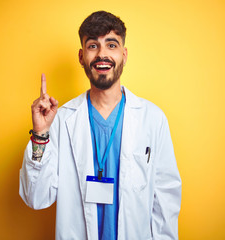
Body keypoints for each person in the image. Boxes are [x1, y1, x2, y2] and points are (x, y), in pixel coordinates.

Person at [19, 11, 181, 240]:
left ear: (124, 55)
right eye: (93, 46)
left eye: (111, 45)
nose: (102, 54)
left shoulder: (152, 119)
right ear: (81, 56)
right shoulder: (62, 119)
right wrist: (40, 134)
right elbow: (36, 197)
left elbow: (165, 199)